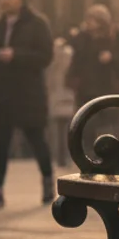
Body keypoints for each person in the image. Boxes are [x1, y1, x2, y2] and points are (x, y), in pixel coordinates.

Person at [0, 0, 55, 209]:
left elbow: (45, 56)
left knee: (36, 138)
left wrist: (16, 55)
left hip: (28, 92)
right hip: (2, 91)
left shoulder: (37, 23)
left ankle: (47, 181)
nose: (4, 0)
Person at [66, 5, 119, 155]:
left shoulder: (117, 37)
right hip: (87, 92)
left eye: (94, 20)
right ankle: (90, 157)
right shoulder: (83, 38)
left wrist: (112, 58)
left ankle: (112, 156)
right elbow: (76, 60)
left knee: (112, 128)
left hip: (111, 91)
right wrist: (72, 80)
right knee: (87, 128)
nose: (90, 23)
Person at [47, 36, 75, 167]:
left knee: (64, 127)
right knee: (63, 127)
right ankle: (62, 156)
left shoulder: (56, 61)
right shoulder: (57, 62)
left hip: (64, 95)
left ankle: (62, 156)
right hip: (61, 96)